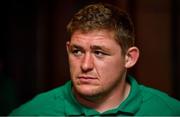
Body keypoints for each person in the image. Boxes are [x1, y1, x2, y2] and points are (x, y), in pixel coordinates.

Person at [9, 3, 180, 116]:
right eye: (77, 51)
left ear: (129, 58)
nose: (85, 65)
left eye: (99, 53)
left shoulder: (169, 111)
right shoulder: (33, 112)